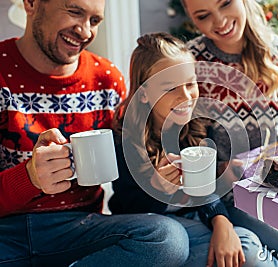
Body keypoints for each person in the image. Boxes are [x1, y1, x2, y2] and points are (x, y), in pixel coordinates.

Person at [0, 1, 188, 266]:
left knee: (167, 238)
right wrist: (29, 176)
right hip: (6, 232)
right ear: (31, 3)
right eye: (74, 11)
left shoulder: (107, 79)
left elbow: (125, 190)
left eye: (95, 21)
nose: (85, 31)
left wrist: (157, 185)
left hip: (80, 229)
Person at [180, 0, 278, 264]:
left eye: (226, 3)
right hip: (230, 194)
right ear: (190, 17)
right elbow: (192, 154)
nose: (219, 21)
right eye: (203, 15)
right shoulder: (192, 61)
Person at [109, 32, 278, 267]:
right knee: (248, 247)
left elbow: (205, 190)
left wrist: (221, 220)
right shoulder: (124, 140)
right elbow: (126, 209)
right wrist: (157, 189)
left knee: (268, 231)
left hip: (197, 213)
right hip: (158, 230)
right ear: (144, 93)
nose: (187, 97)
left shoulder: (197, 126)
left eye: (190, 83)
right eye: (171, 88)